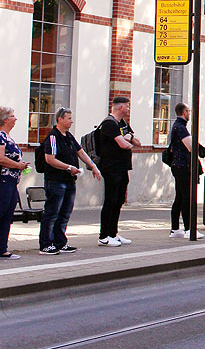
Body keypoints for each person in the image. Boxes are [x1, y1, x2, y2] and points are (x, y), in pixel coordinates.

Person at [39, 107, 101, 255]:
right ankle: (46, 244)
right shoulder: (53, 137)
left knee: (65, 213)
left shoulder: (69, 136)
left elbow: (80, 152)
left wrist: (93, 166)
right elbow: (50, 159)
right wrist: (68, 168)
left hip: (69, 180)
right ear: (60, 119)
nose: (71, 121)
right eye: (68, 118)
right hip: (56, 180)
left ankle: (60, 242)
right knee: (52, 212)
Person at [96, 96, 140, 247]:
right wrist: (127, 138)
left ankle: (113, 233)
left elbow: (137, 142)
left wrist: (129, 137)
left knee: (119, 200)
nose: (129, 109)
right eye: (128, 106)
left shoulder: (123, 123)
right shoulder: (109, 123)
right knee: (111, 200)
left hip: (122, 167)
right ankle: (104, 235)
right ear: (120, 107)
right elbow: (124, 145)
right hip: (111, 168)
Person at [167, 102, 204, 239]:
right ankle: (189, 229)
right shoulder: (181, 127)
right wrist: (200, 148)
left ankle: (175, 229)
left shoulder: (176, 126)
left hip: (177, 165)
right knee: (187, 197)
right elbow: (190, 146)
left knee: (179, 197)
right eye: (188, 111)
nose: (190, 113)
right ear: (184, 112)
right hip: (183, 166)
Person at [0, 106, 30, 260]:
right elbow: (1, 158)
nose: (15, 119)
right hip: (3, 181)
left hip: (12, 181)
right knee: (1, 212)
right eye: (12, 116)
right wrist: (18, 165)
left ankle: (2, 248)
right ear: (5, 119)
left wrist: (20, 165)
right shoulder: (0, 136)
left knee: (7, 215)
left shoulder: (8, 137)